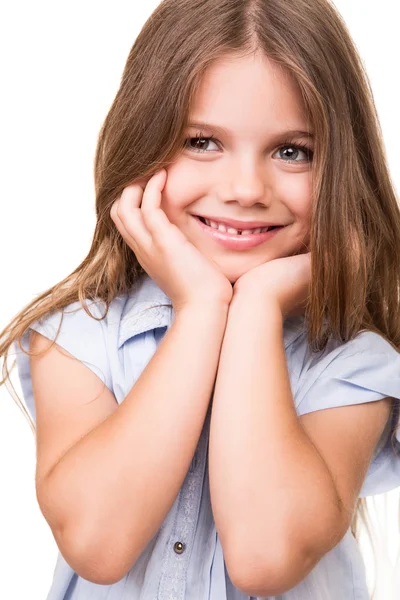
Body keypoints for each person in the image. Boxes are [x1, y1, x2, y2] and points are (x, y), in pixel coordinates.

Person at [1, 0, 400, 598]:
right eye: (202, 141)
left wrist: (258, 307)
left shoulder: (351, 365)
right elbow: (98, 543)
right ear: (142, 144)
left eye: (292, 151)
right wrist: (202, 309)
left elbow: (267, 556)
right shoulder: (78, 336)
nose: (245, 190)